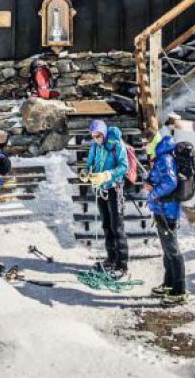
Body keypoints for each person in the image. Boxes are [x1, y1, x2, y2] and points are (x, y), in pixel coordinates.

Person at [145, 131, 188, 305]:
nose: (145, 148)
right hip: (163, 209)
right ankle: (169, 284)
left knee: (173, 250)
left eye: (147, 144)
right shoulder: (163, 158)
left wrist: (154, 193)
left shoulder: (165, 159)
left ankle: (180, 290)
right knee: (167, 249)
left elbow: (170, 182)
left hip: (167, 211)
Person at [84, 119, 129, 277]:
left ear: (103, 133)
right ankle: (111, 258)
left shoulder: (116, 145)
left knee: (117, 226)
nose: (96, 138)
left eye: (98, 135)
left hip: (114, 188)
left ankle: (122, 264)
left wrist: (108, 174)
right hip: (100, 188)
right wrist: (86, 173)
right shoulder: (95, 146)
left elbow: (124, 166)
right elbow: (90, 162)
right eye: (93, 136)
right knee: (106, 225)